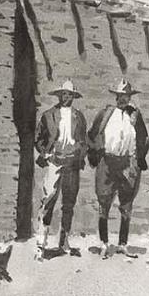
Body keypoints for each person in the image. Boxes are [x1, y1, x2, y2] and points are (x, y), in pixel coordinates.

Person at [88, 79, 149, 256]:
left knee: (126, 204)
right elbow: (92, 135)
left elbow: (145, 138)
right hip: (107, 163)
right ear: (116, 97)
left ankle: (123, 243)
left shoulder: (135, 115)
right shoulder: (106, 114)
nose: (123, 99)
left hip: (127, 163)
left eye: (126, 96)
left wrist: (139, 159)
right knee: (104, 202)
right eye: (120, 96)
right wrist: (96, 154)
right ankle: (104, 242)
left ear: (130, 98)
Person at [33, 80, 87, 258]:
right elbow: (38, 138)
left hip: (72, 164)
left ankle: (63, 242)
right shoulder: (48, 115)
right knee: (48, 201)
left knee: (69, 203)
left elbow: (83, 140)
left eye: (69, 94)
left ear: (73, 97)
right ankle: (41, 244)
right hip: (55, 162)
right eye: (64, 94)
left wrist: (79, 153)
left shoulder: (78, 116)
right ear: (59, 96)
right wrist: (46, 154)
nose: (66, 97)